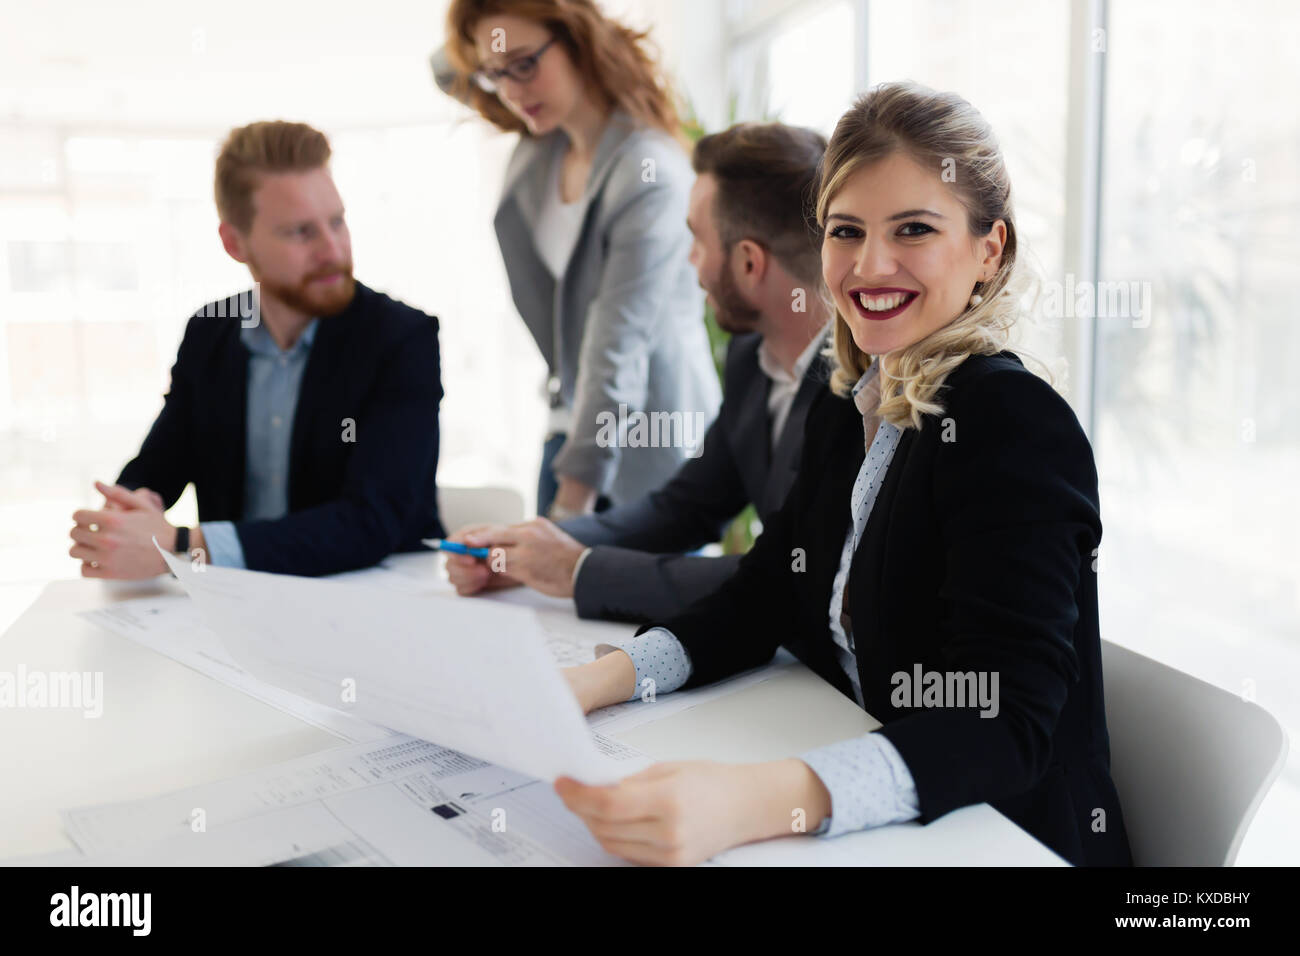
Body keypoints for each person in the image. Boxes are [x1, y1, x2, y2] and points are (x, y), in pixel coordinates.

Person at [552, 83, 1133, 868]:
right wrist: (594, 683)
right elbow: (767, 594)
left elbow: (1000, 720)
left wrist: (754, 800)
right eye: (846, 231)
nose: (869, 265)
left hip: (1005, 837)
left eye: (914, 230)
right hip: (888, 804)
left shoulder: (1012, 421)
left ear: (989, 249)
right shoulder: (854, 393)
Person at [444, 122, 832, 622]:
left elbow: (787, 580)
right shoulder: (750, 361)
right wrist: (527, 550)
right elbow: (686, 509)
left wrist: (579, 570)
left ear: (750, 263)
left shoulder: (860, 394)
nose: (689, 262)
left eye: (696, 240)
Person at [68, 121, 444, 579]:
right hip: (238, 600)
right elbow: (162, 461)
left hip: (377, 597)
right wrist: (133, 507)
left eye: (337, 221)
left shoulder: (399, 338)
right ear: (235, 243)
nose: (334, 250)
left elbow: (370, 522)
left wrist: (185, 545)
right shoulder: (211, 332)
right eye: (301, 232)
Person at [434, 0, 720, 519]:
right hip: (569, 427)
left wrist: (572, 505)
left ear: (579, 43)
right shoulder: (539, 152)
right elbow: (442, 66)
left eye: (525, 64)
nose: (514, 91)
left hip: (652, 445)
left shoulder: (648, 171)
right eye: (497, 74)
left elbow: (618, 344)